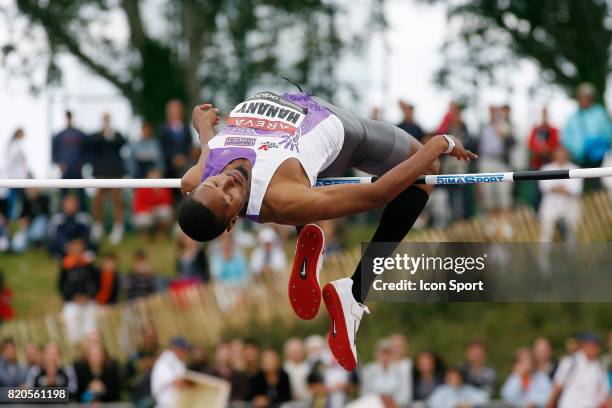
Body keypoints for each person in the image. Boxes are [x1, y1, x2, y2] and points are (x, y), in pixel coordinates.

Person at [178, 91, 475, 371]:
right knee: (426, 170)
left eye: (216, 184)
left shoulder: (199, 176)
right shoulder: (282, 194)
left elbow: (207, 150)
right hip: (338, 130)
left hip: (288, 111)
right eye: (229, 197)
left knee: (297, 200)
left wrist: (202, 126)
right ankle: (355, 291)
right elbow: (379, 194)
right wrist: (440, 145)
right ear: (233, 221)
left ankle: (306, 230)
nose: (229, 180)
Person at [89, 112, 127, 245]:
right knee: (98, 200)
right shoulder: (96, 135)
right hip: (100, 173)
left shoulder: (116, 135)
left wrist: (111, 134)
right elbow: (92, 144)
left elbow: (123, 142)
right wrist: (102, 133)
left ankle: (118, 228)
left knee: (117, 201)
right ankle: (97, 226)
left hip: (115, 172)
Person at [547, 332, 609, 408]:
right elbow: (557, 388)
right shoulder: (569, 362)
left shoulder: (600, 368)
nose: (595, 349)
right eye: (592, 345)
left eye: (596, 346)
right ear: (584, 345)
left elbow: (605, 394)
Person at [563, 83, 612, 180]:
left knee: (597, 187)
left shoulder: (599, 113)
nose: (583, 99)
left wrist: (596, 145)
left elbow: (608, 134)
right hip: (578, 159)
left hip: (598, 159)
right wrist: (577, 150)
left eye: (586, 97)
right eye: (581, 97)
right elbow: (565, 138)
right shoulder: (572, 117)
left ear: (591, 98)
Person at [538, 146, 583, 243]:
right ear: (554, 154)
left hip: (570, 204)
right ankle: (543, 257)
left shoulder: (575, 168)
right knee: (546, 233)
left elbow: (576, 190)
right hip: (551, 205)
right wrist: (563, 189)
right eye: (558, 152)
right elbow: (544, 187)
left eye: (563, 152)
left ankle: (571, 257)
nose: (561, 155)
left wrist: (556, 188)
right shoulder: (546, 168)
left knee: (571, 233)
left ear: (567, 154)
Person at [58, 238, 99, 344]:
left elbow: (96, 282)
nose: (76, 249)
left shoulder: (88, 264)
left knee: (91, 329)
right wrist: (72, 297)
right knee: (73, 331)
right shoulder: (66, 265)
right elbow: (61, 286)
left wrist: (88, 296)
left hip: (88, 302)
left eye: (79, 246)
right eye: (74, 247)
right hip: (72, 303)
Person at [478, 105, 515, 215]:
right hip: (486, 161)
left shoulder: (505, 126)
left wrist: (505, 135)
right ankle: (492, 223)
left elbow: (513, 143)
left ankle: (504, 223)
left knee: (503, 192)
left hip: (501, 162)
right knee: (488, 193)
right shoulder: (484, 127)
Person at [52, 111, 88, 208]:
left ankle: (82, 212)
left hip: (77, 168)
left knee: (80, 192)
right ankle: (62, 213)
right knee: (63, 192)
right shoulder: (60, 135)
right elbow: (54, 151)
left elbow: (87, 150)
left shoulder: (80, 134)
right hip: (65, 168)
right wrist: (59, 163)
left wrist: (82, 163)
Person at [360, 337, 410, 407]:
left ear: (392, 354)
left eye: (388, 353)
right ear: (376, 353)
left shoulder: (400, 370)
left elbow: (405, 394)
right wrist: (379, 400)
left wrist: (391, 401)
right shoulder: (369, 370)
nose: (385, 356)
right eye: (383, 353)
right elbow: (364, 393)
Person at [132, 168, 174, 240]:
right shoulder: (142, 189)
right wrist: (149, 210)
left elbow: (168, 203)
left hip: (158, 212)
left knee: (166, 212)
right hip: (146, 212)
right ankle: (145, 235)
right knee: (142, 219)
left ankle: (160, 234)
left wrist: (159, 194)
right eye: (152, 177)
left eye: (157, 177)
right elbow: (137, 207)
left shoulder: (165, 188)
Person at [150, 336, 191, 407]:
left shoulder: (179, 362)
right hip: (165, 405)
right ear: (175, 349)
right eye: (183, 349)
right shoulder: (165, 361)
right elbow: (177, 382)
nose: (185, 352)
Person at [159, 99, 194, 179]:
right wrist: (173, 158)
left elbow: (189, 144)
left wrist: (183, 157)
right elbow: (162, 147)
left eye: (178, 110)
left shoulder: (186, 128)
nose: (176, 113)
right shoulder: (162, 129)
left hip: (185, 163)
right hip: (168, 165)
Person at [3, 128, 31, 221]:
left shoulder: (16, 145)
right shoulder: (14, 145)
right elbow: (10, 161)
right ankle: (12, 218)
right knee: (15, 200)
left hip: (18, 177)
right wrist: (4, 173)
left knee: (18, 199)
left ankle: (15, 217)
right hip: (15, 178)